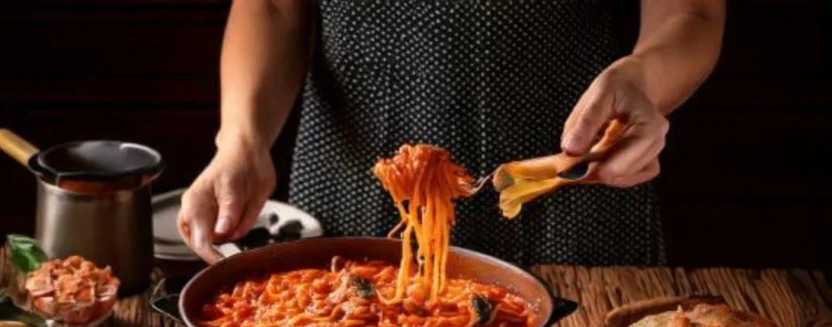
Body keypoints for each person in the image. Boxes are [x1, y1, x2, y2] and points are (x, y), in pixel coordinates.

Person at [178, 0, 725, 265]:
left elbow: (692, 14)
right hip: (349, 180)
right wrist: (243, 140)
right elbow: (271, 8)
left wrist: (645, 82)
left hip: (568, 179)